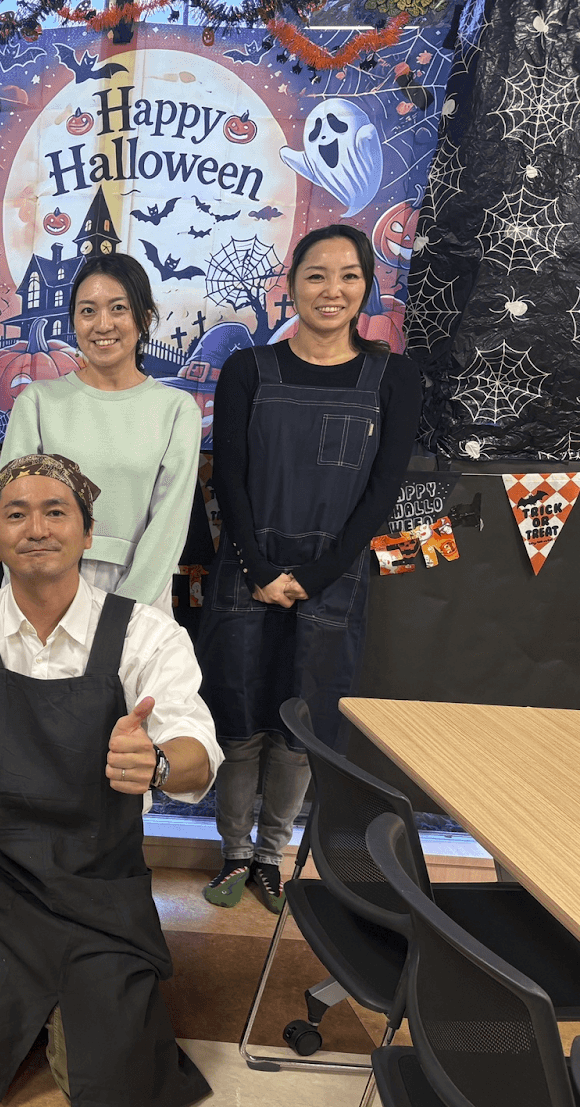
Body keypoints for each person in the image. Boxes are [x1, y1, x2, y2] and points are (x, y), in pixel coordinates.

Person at [0, 454, 218, 1107]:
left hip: (98, 888)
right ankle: (25, 1000)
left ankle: (51, 1003)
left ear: (87, 531)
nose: (36, 527)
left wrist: (157, 763)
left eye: (55, 511)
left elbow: (198, 753)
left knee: (119, 1091)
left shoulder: (146, 632)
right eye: (16, 513)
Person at [197, 225, 422, 913]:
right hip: (246, 570)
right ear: (290, 284)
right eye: (316, 275)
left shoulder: (393, 376)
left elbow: (383, 491)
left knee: (303, 727)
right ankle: (234, 852)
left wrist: (319, 576)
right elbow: (227, 480)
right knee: (237, 719)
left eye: (348, 275)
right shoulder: (248, 370)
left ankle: (272, 858)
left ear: (366, 287)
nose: (332, 289)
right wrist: (260, 567)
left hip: (336, 576)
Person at [0, 252, 201, 611]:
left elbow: (168, 525)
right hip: (42, 585)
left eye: (118, 308)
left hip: (141, 590)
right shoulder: (38, 401)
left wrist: (123, 612)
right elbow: (14, 511)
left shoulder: (176, 410)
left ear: (145, 318)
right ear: (73, 320)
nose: (102, 324)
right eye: (88, 310)